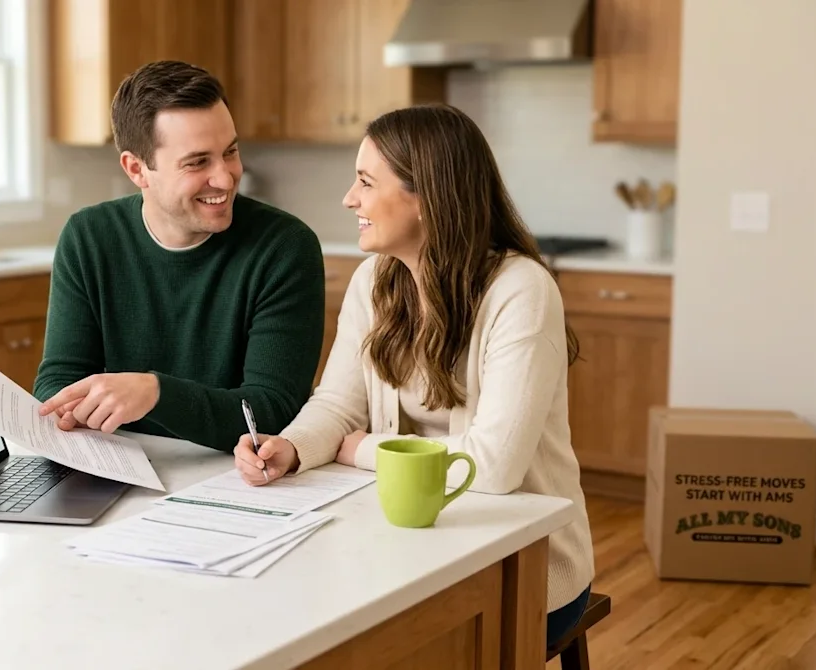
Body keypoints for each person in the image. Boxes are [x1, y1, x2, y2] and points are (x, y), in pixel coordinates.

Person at [230, 103, 596, 647]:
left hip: (521, 567)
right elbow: (337, 405)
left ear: (425, 197)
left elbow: (494, 468)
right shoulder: (373, 281)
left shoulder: (521, 291)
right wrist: (293, 446)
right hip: (402, 539)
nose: (349, 199)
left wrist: (361, 451)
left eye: (365, 182)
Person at [33, 60, 326, 452]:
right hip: (122, 465)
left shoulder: (285, 247)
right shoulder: (88, 238)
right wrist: (71, 409)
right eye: (197, 162)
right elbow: (58, 382)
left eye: (231, 151)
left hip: (236, 475)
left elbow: (275, 408)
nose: (224, 178)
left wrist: (156, 393)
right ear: (137, 169)